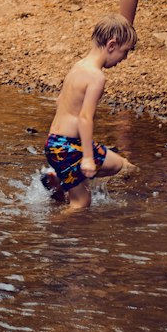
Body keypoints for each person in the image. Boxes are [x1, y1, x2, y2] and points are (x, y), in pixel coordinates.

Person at [41, 15, 137, 210]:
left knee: (118, 164)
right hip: (67, 147)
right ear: (112, 45)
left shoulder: (79, 66)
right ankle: (49, 231)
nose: (124, 58)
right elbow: (85, 117)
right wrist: (86, 158)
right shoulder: (96, 77)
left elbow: (60, 100)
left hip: (57, 142)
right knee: (81, 204)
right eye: (125, 51)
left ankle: (61, 180)